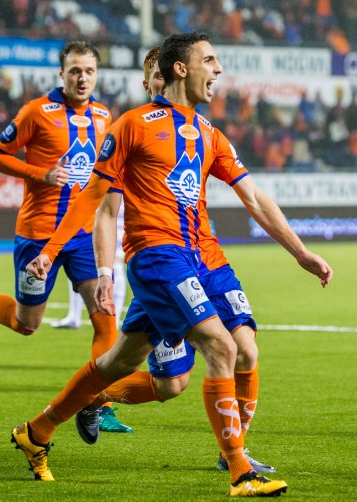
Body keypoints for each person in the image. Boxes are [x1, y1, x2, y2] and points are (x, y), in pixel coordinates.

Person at [9, 33, 332, 496]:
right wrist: (53, 251)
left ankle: (37, 431)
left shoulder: (211, 134)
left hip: (205, 255)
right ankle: (239, 467)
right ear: (181, 68)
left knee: (208, 353)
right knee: (219, 346)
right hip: (158, 255)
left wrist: (301, 252)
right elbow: (96, 199)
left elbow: (255, 198)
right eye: (210, 60)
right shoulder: (132, 125)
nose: (218, 70)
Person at [72, 45, 275, 474]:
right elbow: (105, 208)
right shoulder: (133, 131)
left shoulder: (198, 131)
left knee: (191, 374)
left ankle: (229, 451)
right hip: (155, 263)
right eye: (150, 78)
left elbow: (231, 193)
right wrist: (104, 270)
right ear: (149, 82)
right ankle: (233, 460)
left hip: (190, 261)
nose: (156, 83)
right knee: (178, 376)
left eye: (158, 75)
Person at [0, 40, 130, 432]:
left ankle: (94, 404)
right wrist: (39, 174)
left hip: (81, 235)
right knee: (27, 324)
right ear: (62, 74)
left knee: (105, 316)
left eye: (89, 71)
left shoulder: (102, 115)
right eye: (75, 71)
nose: (82, 78)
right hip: (38, 235)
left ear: (97, 75)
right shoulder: (36, 112)